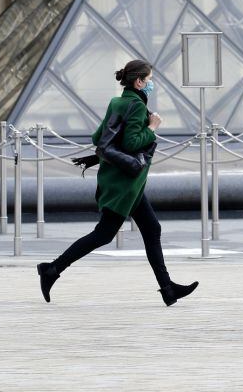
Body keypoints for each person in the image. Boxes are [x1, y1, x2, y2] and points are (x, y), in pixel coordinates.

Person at [37, 59, 198, 307]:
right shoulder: (135, 106)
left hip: (122, 180)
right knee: (103, 234)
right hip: (125, 183)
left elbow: (97, 137)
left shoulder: (118, 102)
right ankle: (52, 269)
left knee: (152, 229)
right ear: (139, 81)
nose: (152, 83)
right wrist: (152, 127)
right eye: (150, 79)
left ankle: (168, 289)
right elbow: (133, 143)